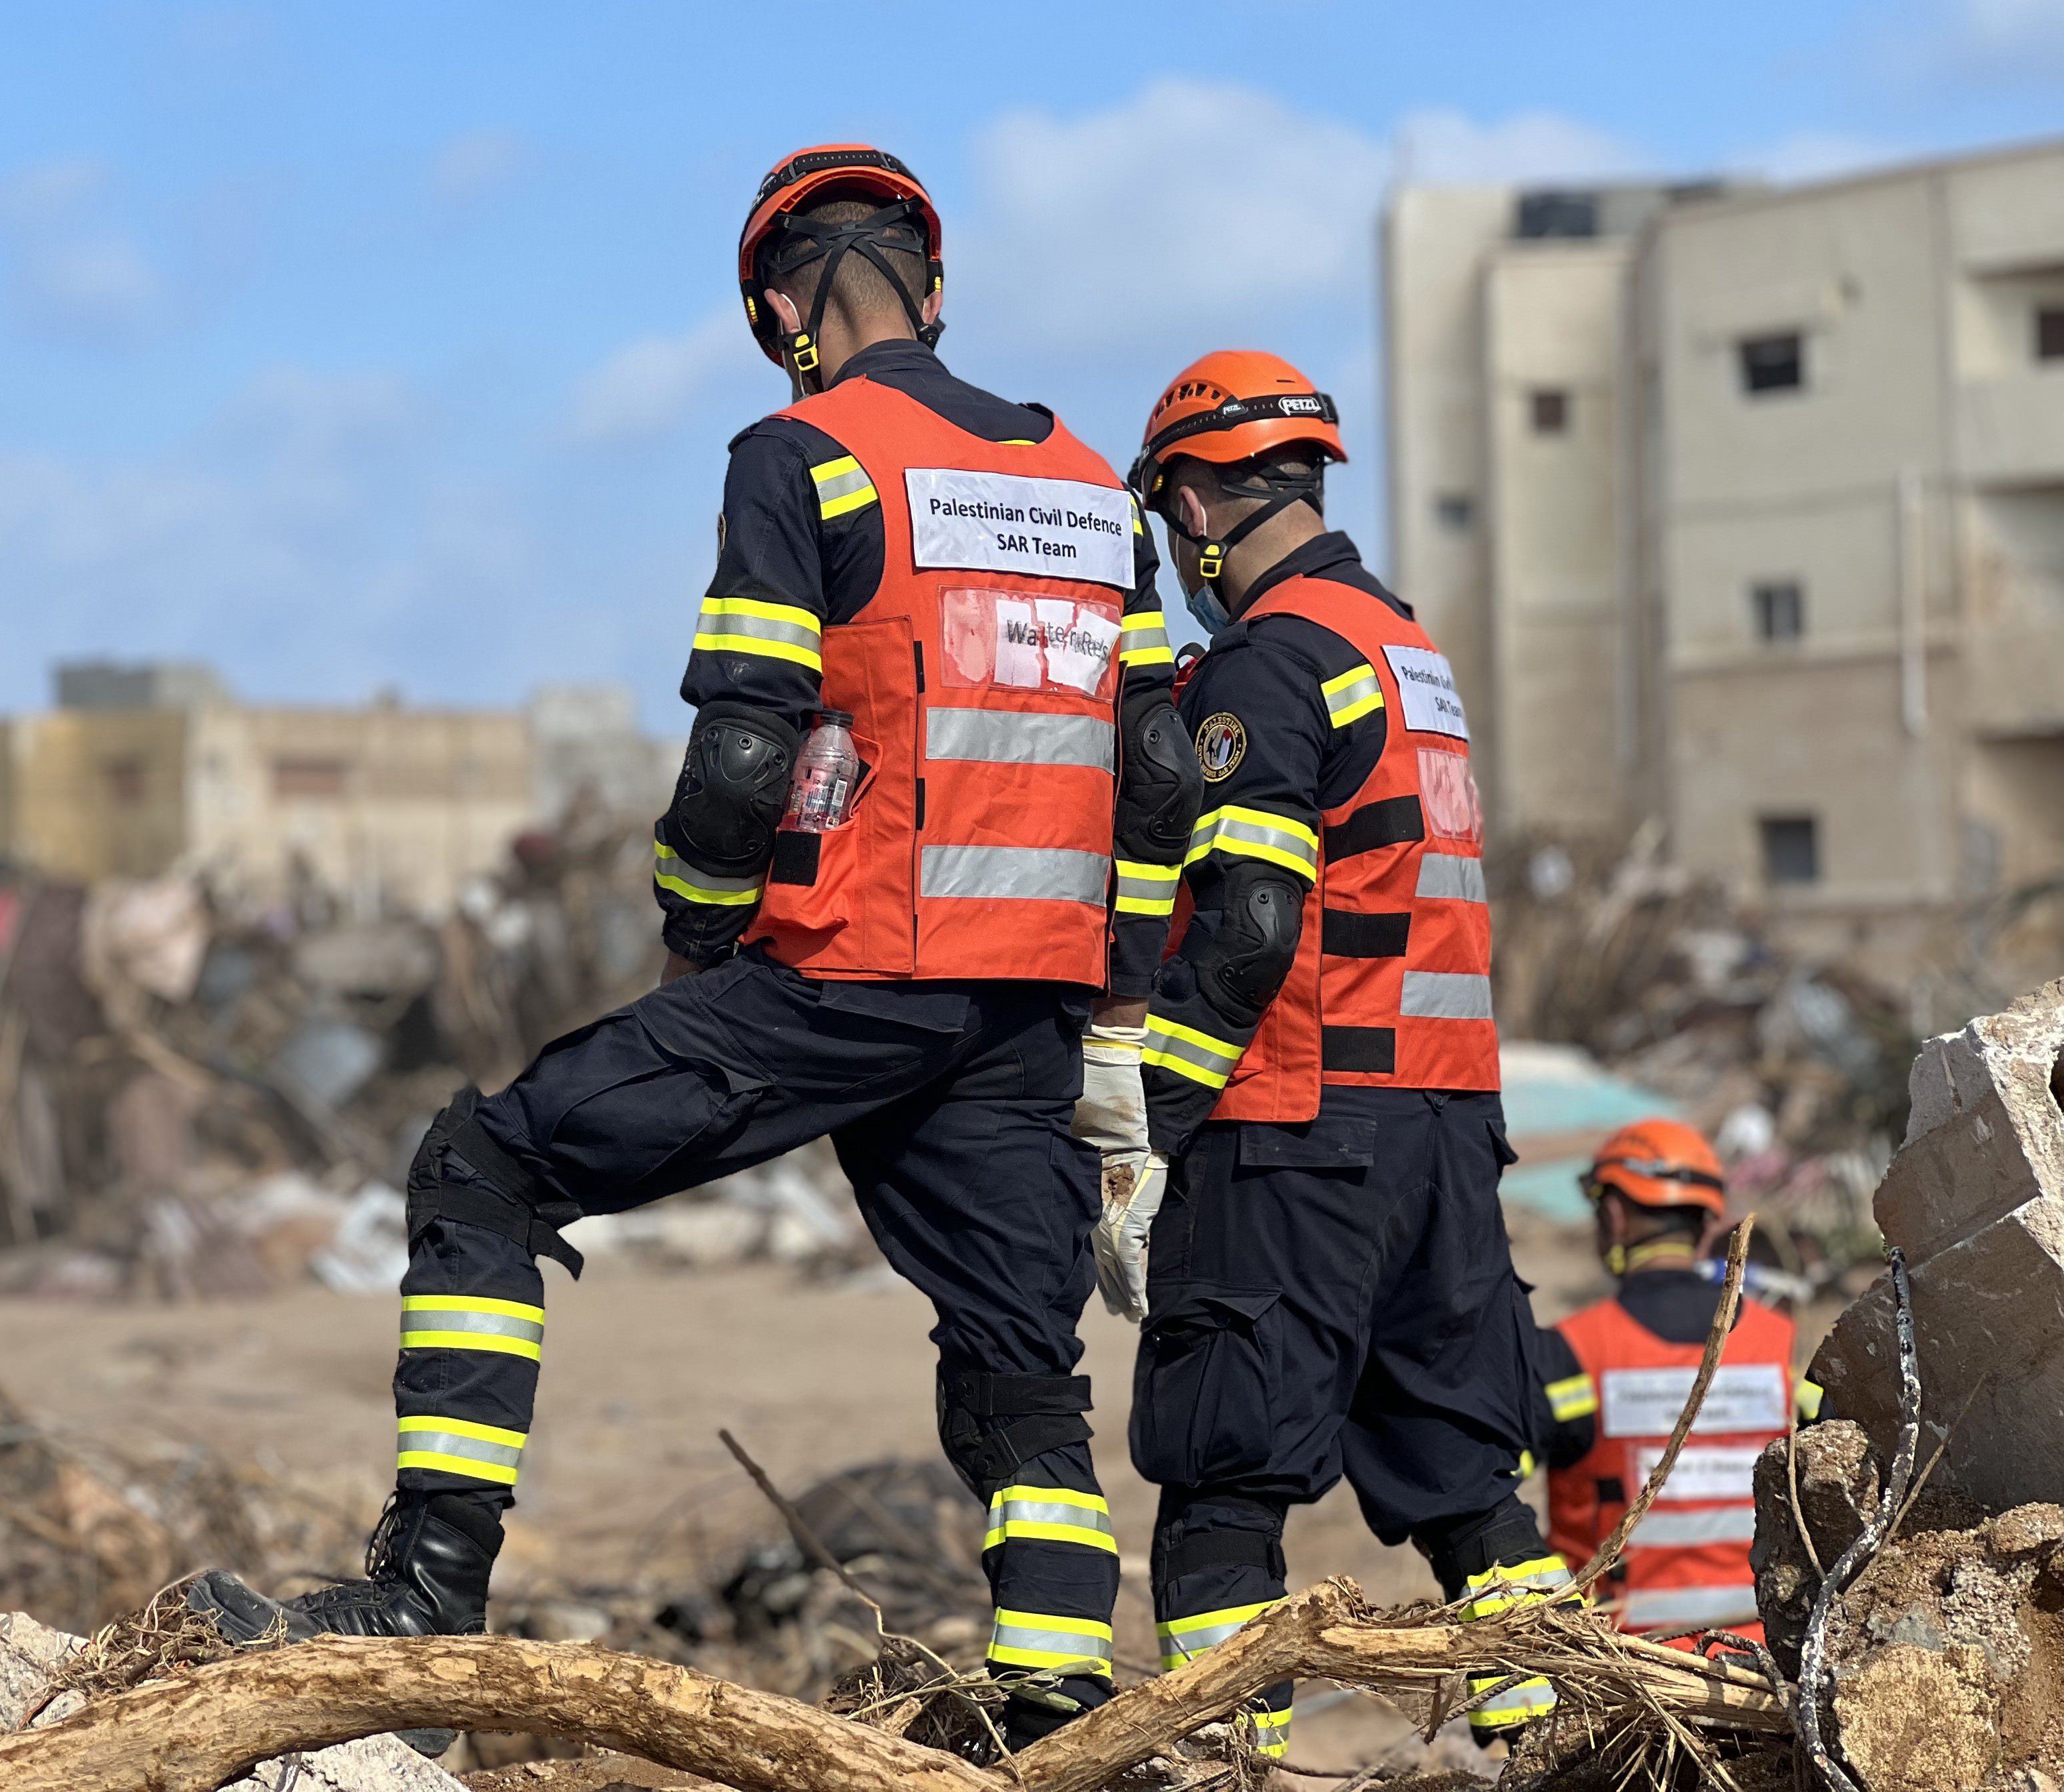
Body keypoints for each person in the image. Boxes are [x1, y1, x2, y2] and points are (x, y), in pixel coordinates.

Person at [185, 144, 1201, 1749]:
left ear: (788, 311)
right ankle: (1061, 1708)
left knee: (485, 1165)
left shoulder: (806, 455)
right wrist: (1119, 1025)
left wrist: (697, 944)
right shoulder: (1092, 488)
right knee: (1024, 1359)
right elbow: (1156, 776)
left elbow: (743, 751)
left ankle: (429, 1595)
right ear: (933, 289)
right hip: (1027, 1009)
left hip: (844, 976)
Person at [1091, 351, 1565, 1758]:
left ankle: (1233, 1768)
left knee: (1224, 1485)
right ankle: (1577, 1749)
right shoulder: (1405, 652)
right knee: (1472, 1485)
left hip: (1299, 1126)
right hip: (1442, 1133)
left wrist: (1149, 1127)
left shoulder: (1276, 658)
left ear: (1195, 500)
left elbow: (1247, 921)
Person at [1536, 1119, 1821, 1644]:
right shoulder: (1779, 1341)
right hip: (1767, 1665)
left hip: (1620, 1675)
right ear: (1709, 1226)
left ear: (1616, 1216)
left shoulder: (1571, 1350)